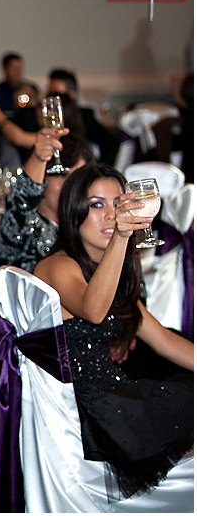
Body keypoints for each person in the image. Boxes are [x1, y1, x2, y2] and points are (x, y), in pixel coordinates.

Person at [33, 162, 193, 499]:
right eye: (96, 205)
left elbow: (163, 340)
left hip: (115, 393)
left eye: (118, 204)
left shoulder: (107, 267)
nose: (110, 215)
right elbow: (93, 311)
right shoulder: (58, 265)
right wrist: (122, 236)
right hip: (91, 411)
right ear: (73, 211)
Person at [0, 130, 93, 272]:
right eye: (61, 175)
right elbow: (22, 202)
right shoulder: (25, 225)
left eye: (78, 177)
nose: (72, 184)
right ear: (42, 177)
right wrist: (39, 159)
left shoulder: (87, 226)